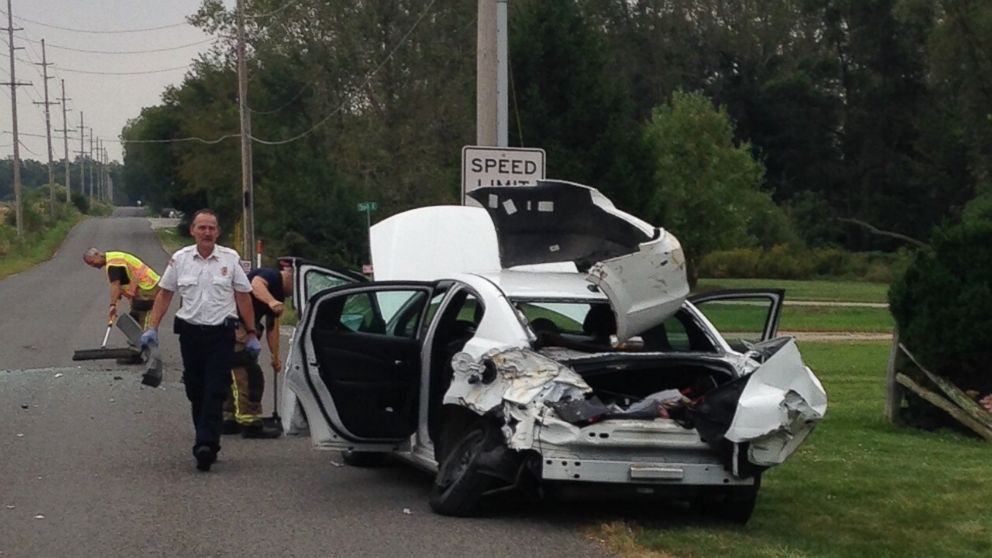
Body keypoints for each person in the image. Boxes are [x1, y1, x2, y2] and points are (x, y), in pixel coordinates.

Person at [142, 209, 260, 472]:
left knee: (215, 388)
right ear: (192, 231)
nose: (207, 232)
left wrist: (251, 333)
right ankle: (204, 437)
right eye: (202, 227)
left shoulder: (230, 259)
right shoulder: (180, 259)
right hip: (191, 333)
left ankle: (206, 444)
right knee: (196, 389)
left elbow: (243, 296)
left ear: (217, 232)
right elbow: (164, 294)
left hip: (221, 333)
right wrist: (153, 328)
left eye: (211, 228)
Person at [223, 263, 293, 439]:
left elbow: (272, 326)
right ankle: (249, 422)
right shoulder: (270, 275)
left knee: (231, 373)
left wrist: (275, 356)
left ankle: (228, 418)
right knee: (247, 373)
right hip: (234, 324)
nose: (293, 294)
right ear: (290, 276)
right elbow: (255, 285)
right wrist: (271, 301)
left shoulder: (280, 293)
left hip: (242, 328)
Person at [82, 248, 161, 330]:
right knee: (136, 314)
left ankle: (146, 338)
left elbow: (115, 284)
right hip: (143, 285)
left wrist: (112, 305)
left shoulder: (114, 264)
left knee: (143, 313)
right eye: (90, 264)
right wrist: (120, 293)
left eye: (92, 262)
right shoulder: (113, 258)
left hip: (147, 285)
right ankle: (140, 337)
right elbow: (123, 280)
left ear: (97, 255)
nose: (93, 266)